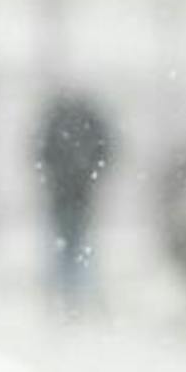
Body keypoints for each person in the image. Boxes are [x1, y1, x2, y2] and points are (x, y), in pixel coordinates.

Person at [33, 89, 119, 317]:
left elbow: (41, 153)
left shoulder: (57, 122)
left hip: (65, 193)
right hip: (79, 193)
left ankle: (68, 296)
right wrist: (91, 174)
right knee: (80, 244)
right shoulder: (86, 123)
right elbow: (106, 150)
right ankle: (76, 296)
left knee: (67, 245)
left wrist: (55, 176)